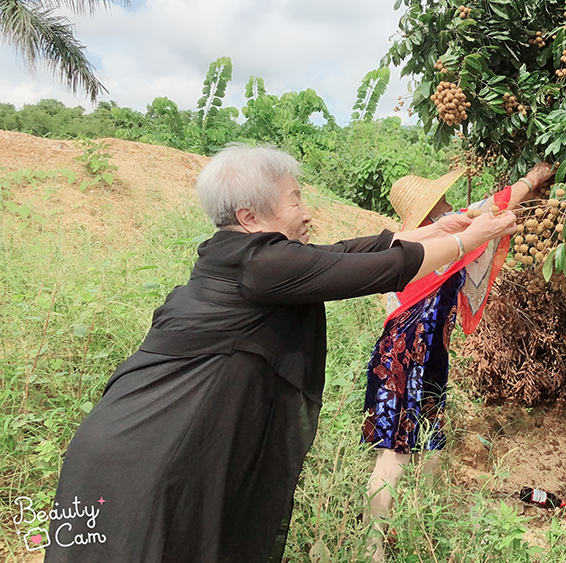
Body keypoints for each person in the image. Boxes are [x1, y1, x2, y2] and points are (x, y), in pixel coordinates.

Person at [44, 145, 517, 563]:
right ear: (250, 216)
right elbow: (379, 270)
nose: (306, 211)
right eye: (295, 199)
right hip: (147, 456)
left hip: (130, 443)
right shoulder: (263, 265)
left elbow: (350, 252)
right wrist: (466, 242)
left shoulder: (242, 256)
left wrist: (438, 232)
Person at [361, 163, 555, 561]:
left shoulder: (419, 243)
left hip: (425, 355)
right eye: (444, 199)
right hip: (408, 357)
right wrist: (533, 178)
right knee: (395, 452)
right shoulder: (443, 233)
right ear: (433, 210)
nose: (452, 203)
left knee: (429, 442)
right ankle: (371, 547)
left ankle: (418, 525)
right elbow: (494, 206)